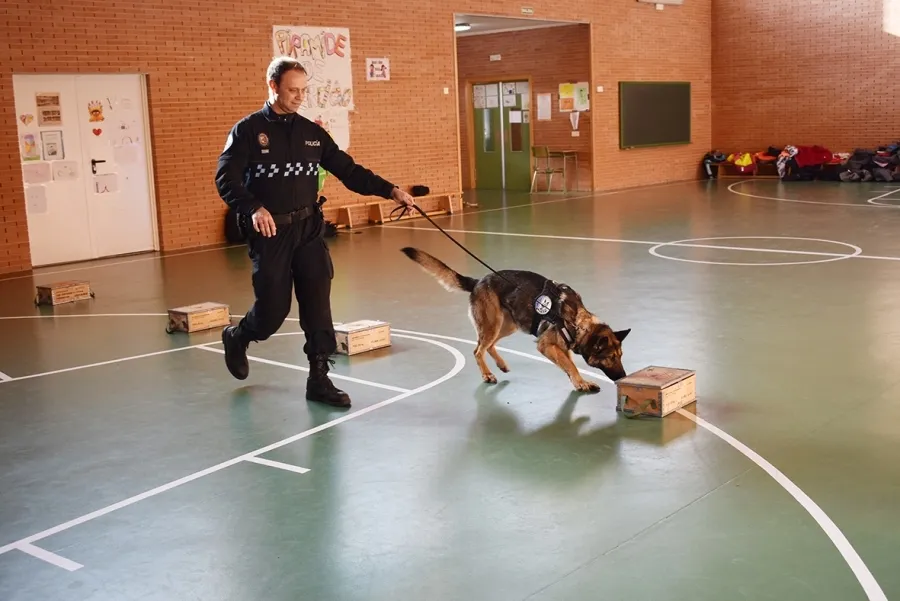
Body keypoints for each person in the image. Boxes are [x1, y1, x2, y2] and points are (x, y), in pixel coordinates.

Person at [214, 56, 414, 408]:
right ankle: (239, 335)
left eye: (303, 90)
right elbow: (225, 179)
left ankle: (319, 378)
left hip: (308, 228)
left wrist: (391, 190)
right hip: (270, 231)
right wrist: (253, 207)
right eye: (292, 90)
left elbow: (349, 171)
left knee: (318, 304)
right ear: (273, 86)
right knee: (273, 311)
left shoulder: (311, 132)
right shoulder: (247, 131)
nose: (299, 97)